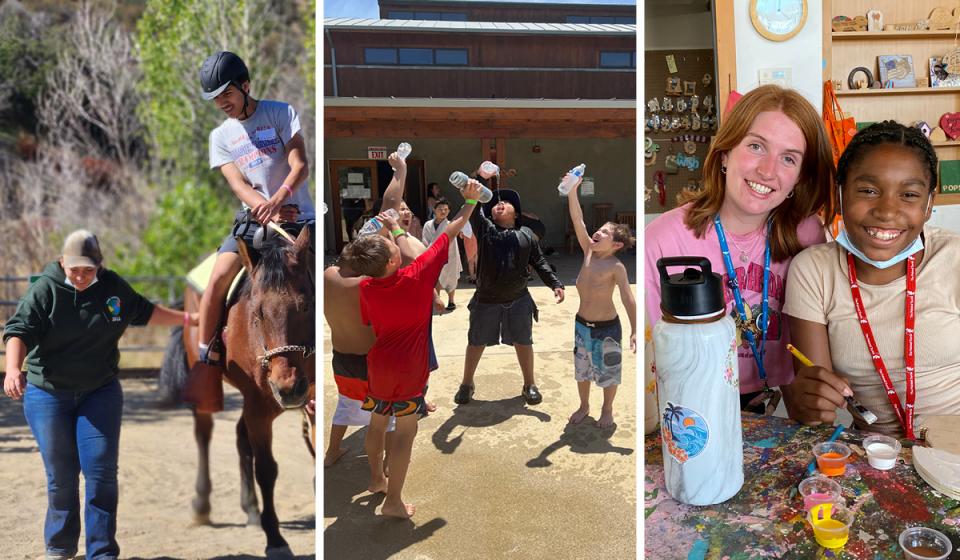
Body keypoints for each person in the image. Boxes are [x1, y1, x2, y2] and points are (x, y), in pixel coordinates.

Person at [3, 230, 197, 560]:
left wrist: (191, 319)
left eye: (88, 270)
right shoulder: (44, 290)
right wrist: (11, 369)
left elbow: (145, 312)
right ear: (62, 262)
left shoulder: (113, 288)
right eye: (73, 269)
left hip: (99, 392)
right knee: (61, 477)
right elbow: (17, 331)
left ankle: (102, 552)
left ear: (100, 265)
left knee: (101, 473)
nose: (80, 276)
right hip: (48, 394)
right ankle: (60, 546)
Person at [644, 84, 835, 413]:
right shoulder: (662, 238)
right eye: (757, 146)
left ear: (799, 181)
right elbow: (652, 361)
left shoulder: (807, 235)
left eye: (788, 158)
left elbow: (802, 359)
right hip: (690, 404)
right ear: (724, 153)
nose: (768, 170)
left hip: (771, 404)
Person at [783, 121, 960, 437]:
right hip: (876, 455)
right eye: (867, 190)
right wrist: (808, 401)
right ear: (839, 194)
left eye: (908, 194)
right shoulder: (812, 271)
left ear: (929, 204)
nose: (887, 210)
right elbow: (817, 409)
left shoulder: (954, 259)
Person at [340, 180, 482, 518]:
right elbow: (451, 231)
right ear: (391, 262)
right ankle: (393, 502)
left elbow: (369, 323)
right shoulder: (416, 276)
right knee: (405, 432)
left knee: (376, 423)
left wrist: (390, 229)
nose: (396, 246)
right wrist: (471, 201)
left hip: (379, 365)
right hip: (408, 368)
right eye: (391, 248)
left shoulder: (367, 288)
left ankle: (377, 480)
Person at [185, 51, 316, 412]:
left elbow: (299, 165)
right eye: (215, 98)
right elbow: (237, 183)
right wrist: (263, 207)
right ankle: (206, 360)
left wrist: (279, 198)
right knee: (213, 283)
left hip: (299, 217)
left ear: (245, 85)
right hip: (253, 222)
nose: (221, 103)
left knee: (329, 279)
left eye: (226, 94)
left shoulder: (280, 112)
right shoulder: (221, 136)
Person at [454, 185, 565, 406]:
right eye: (495, 204)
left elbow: (540, 262)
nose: (499, 205)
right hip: (486, 299)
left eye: (505, 203)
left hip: (519, 298)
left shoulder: (526, 235)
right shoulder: (485, 230)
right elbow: (474, 206)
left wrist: (554, 283)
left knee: (523, 342)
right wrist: (474, 188)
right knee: (476, 342)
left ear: (516, 213)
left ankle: (529, 384)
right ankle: (466, 384)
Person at [565, 177, 637, 428]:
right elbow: (577, 219)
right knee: (582, 370)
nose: (598, 232)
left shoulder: (615, 267)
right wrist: (572, 190)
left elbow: (628, 298)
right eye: (600, 229)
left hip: (607, 329)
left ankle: (607, 410)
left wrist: (635, 330)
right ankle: (584, 406)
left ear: (616, 244)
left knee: (609, 373)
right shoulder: (588, 250)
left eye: (605, 232)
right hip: (582, 326)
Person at [421, 198, 462, 310]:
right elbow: (425, 240)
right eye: (440, 209)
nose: (443, 211)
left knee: (451, 278)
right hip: (432, 255)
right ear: (434, 210)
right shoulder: (427, 224)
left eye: (445, 209)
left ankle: (451, 301)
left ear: (449, 211)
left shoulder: (451, 224)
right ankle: (437, 299)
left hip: (449, 255)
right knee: (436, 278)